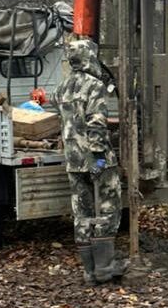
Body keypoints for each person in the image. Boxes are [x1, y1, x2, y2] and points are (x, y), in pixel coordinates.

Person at [54, 37, 126, 285]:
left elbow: (62, 122)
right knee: (107, 210)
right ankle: (104, 269)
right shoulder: (94, 86)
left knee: (82, 213)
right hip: (96, 160)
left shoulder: (61, 88)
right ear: (89, 58)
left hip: (73, 161)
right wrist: (97, 158)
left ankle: (89, 272)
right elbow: (96, 124)